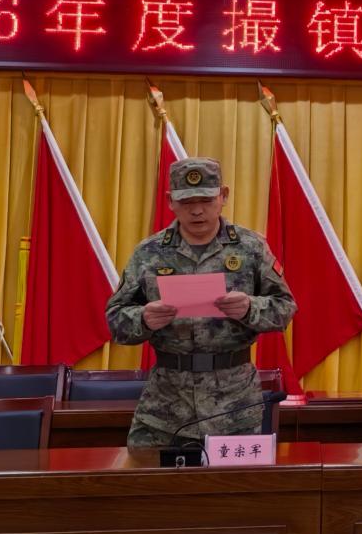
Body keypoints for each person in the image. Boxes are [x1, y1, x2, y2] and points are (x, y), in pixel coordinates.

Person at [107, 157, 296, 447]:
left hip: (234, 406)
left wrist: (250, 308)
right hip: (165, 406)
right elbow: (115, 318)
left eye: (206, 200)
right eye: (186, 202)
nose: (197, 210)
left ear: (223, 196)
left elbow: (285, 307)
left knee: (235, 478)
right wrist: (143, 319)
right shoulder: (149, 252)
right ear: (170, 201)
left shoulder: (250, 247)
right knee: (145, 474)